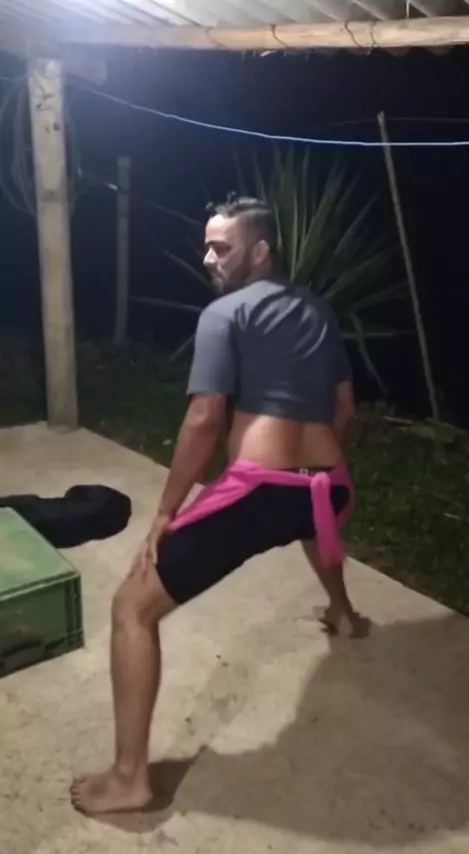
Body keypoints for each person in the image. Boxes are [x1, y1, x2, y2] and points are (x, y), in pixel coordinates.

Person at [71, 194, 367, 816]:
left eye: (221, 247)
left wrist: (165, 512)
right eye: (206, 246)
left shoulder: (224, 314)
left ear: (259, 251)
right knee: (312, 520)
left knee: (131, 607)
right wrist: (313, 466)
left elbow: (205, 418)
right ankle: (343, 613)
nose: (208, 258)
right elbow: (343, 407)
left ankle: (130, 779)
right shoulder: (318, 310)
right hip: (329, 484)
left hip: (263, 491)